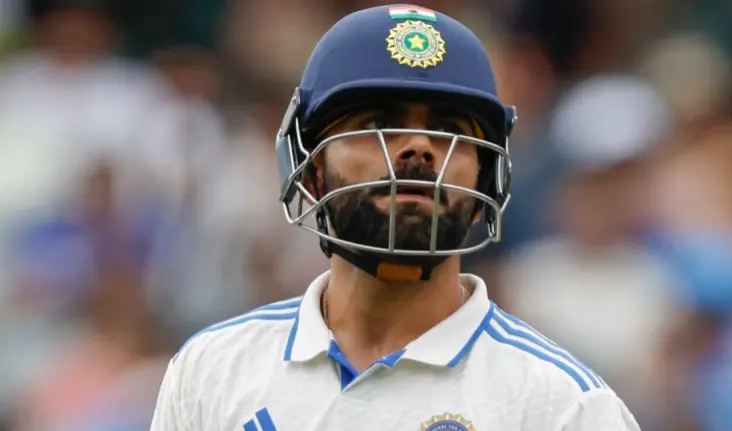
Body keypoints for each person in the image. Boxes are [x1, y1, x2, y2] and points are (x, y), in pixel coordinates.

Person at [149, 4, 641, 430]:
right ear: (311, 168)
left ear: (485, 179)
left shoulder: (563, 407)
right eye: (377, 124)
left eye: (449, 130)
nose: (419, 149)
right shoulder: (211, 370)